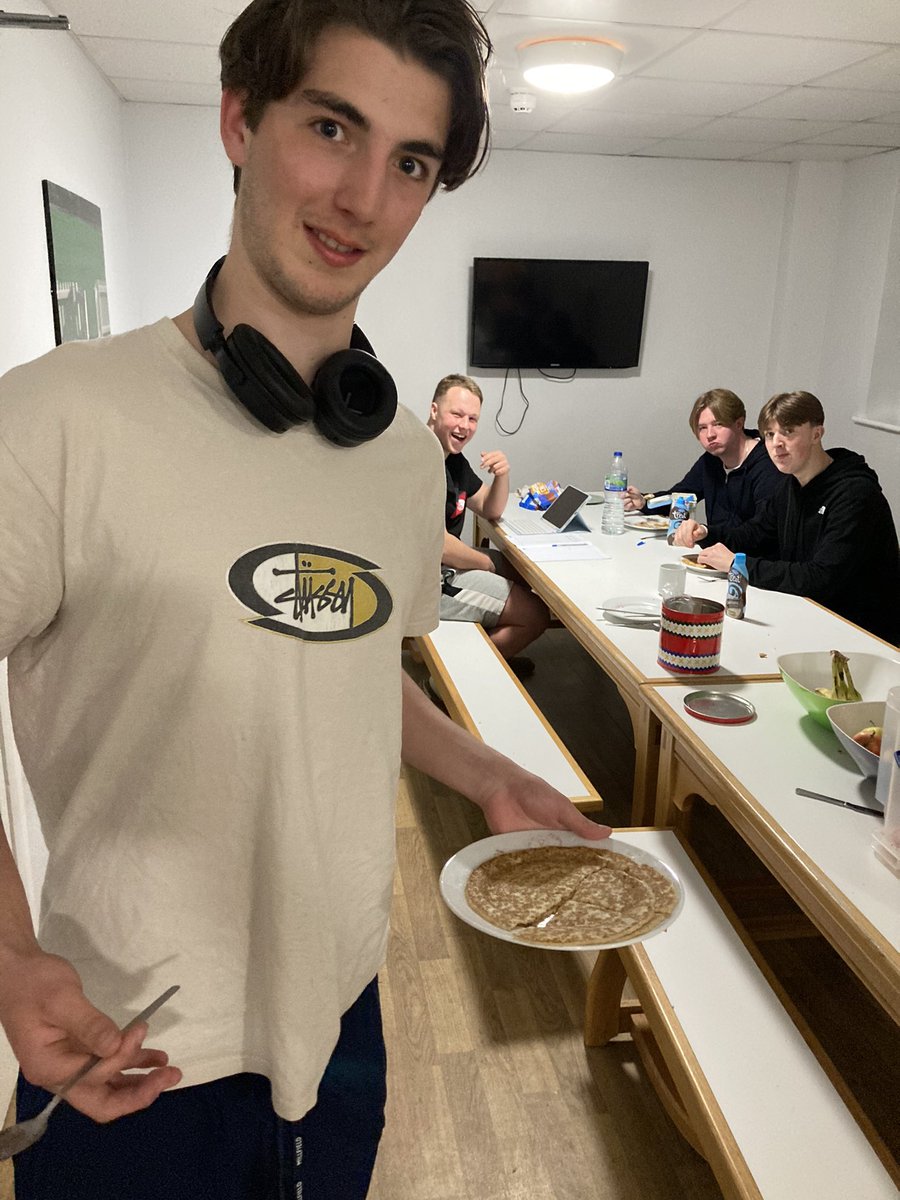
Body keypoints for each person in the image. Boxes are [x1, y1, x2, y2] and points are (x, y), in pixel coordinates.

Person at [0, 3, 609, 1197]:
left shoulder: (388, 451)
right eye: (333, 126)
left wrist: (481, 772)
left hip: (341, 1022)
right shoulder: (52, 424)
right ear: (240, 118)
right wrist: (11, 952)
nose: (363, 197)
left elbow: (342, 662)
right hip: (128, 1044)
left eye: (411, 162)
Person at [674, 391, 900, 645]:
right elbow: (756, 533)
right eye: (770, 434)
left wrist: (740, 566)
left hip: (864, 633)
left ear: (817, 434)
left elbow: (820, 578)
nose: (776, 444)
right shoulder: (790, 485)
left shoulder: (855, 494)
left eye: (788, 432)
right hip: (810, 615)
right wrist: (706, 532)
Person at [427, 373, 550, 670]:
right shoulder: (420, 461)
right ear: (434, 411)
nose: (464, 426)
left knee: (524, 573)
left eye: (472, 419)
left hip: (443, 564)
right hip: (425, 581)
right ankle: (453, 679)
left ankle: (498, 655)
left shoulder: (452, 459)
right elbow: (436, 545)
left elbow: (489, 508)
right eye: (456, 414)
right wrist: (486, 565)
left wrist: (502, 474)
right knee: (535, 615)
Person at [624, 388, 783, 531]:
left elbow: (762, 530)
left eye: (718, 424)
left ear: (739, 423)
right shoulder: (711, 461)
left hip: (750, 559)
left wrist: (706, 533)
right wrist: (644, 502)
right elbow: (681, 497)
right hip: (716, 551)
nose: (710, 435)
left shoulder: (767, 463)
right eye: (702, 428)